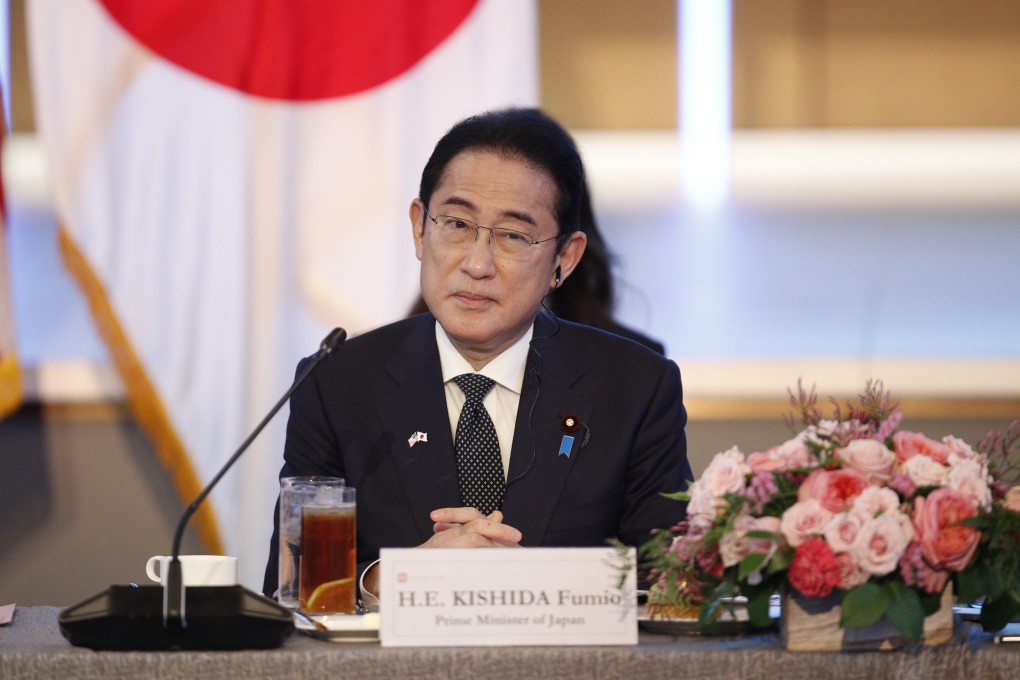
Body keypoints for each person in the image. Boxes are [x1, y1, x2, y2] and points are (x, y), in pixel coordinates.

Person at [263, 108, 691, 604]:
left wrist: (522, 586)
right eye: (457, 223)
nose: (476, 263)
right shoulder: (337, 383)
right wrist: (398, 578)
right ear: (420, 228)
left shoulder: (633, 387)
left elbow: (673, 583)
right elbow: (291, 587)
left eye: (513, 235)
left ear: (564, 259)